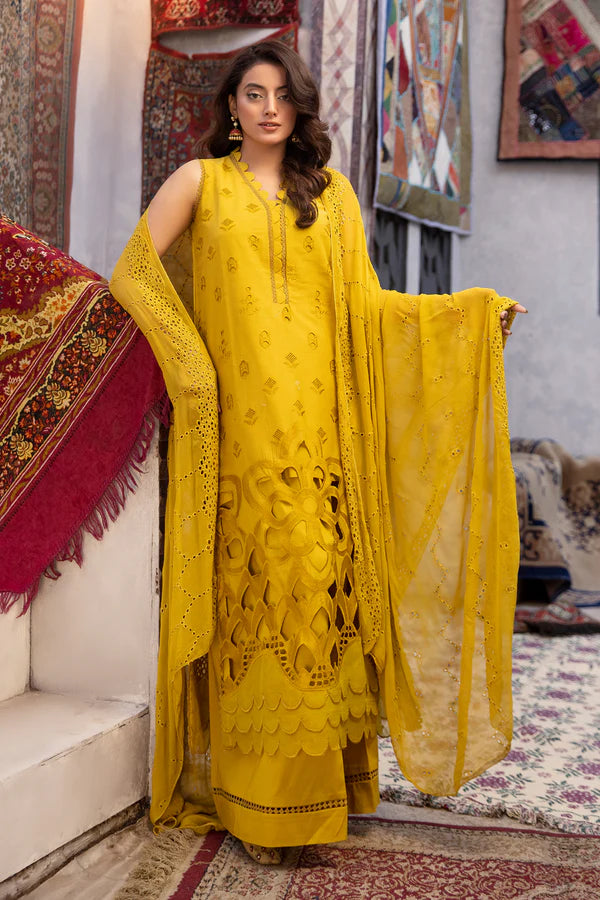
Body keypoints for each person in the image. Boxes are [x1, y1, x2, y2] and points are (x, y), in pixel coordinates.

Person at [110, 39, 526, 864]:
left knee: (321, 603)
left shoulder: (330, 196)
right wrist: (191, 370)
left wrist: (468, 317)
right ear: (232, 108)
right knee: (265, 603)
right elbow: (133, 273)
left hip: (326, 434)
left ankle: (316, 796)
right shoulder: (200, 181)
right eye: (253, 94)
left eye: (283, 94)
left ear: (299, 107)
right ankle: (263, 809)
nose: (269, 107)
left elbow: (368, 310)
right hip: (242, 438)